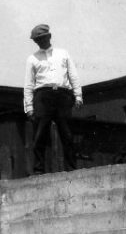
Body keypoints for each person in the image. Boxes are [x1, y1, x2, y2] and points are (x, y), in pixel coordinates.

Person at [23, 24, 83, 174]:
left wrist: (78, 95)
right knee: (39, 136)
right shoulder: (32, 59)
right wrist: (29, 107)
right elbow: (28, 84)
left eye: (42, 38)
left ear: (49, 37)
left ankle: (72, 169)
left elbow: (73, 75)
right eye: (37, 40)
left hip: (63, 96)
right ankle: (38, 171)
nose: (40, 41)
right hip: (42, 97)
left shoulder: (63, 53)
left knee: (67, 135)